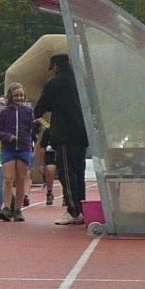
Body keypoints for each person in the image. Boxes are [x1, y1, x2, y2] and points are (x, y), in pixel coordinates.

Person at [33, 52, 88, 226]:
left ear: (56, 66)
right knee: (79, 173)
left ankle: (73, 210)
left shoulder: (55, 82)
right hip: (82, 133)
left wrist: (37, 115)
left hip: (65, 134)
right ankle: (82, 208)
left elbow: (41, 107)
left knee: (67, 173)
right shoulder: (79, 81)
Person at [0, 82, 35, 222]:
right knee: (8, 179)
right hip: (8, 149)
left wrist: (37, 126)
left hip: (24, 148)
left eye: (21, 95)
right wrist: (8, 137)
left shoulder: (28, 111)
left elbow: (33, 128)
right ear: (10, 96)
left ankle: (18, 209)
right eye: (16, 95)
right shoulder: (4, 113)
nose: (19, 98)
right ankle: (6, 207)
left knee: (21, 179)